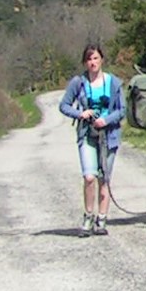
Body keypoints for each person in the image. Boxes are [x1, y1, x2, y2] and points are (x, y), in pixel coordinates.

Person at [59, 43, 124, 237]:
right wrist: (80, 114)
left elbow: (122, 110)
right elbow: (64, 105)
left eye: (95, 58)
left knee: (104, 178)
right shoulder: (78, 82)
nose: (92, 62)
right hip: (87, 134)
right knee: (89, 177)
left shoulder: (113, 83)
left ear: (101, 59)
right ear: (84, 62)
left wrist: (106, 119)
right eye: (89, 59)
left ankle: (101, 218)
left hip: (109, 137)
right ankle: (88, 216)